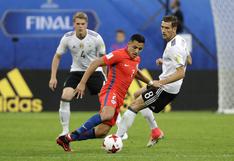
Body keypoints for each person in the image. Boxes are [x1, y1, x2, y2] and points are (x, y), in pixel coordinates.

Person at [56, 34, 160, 152]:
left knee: (102, 132)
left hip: (120, 97)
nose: (136, 51)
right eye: (134, 47)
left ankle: (66, 139)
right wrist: (82, 83)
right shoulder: (118, 54)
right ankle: (71, 135)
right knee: (107, 114)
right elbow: (95, 63)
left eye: (140, 49)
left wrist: (150, 82)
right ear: (129, 44)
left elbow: (135, 72)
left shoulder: (136, 59)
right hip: (111, 91)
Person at [116, 15, 190, 147]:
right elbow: (188, 60)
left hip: (166, 88)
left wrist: (161, 83)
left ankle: (116, 139)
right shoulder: (181, 40)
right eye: (162, 27)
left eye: (167, 28)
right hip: (167, 84)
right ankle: (155, 131)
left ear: (174, 28)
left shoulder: (174, 48)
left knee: (134, 106)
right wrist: (166, 62)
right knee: (137, 94)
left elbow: (181, 73)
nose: (163, 30)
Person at [49, 12, 106, 137]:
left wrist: (106, 77)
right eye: (78, 24)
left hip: (95, 71)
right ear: (73, 24)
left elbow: (104, 60)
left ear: (87, 24)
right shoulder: (67, 38)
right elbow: (57, 56)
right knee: (65, 95)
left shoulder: (96, 38)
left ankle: (120, 131)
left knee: (107, 100)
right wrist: (53, 77)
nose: (80, 26)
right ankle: (64, 131)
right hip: (76, 71)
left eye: (83, 24)